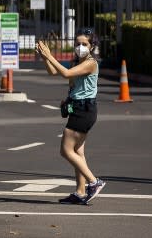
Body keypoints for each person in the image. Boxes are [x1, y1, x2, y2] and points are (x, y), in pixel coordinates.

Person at [36, 30, 106, 205]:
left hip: (84, 110)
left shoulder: (90, 63)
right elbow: (54, 72)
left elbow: (66, 74)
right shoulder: (77, 62)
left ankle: (94, 182)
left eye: (84, 44)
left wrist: (49, 55)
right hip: (79, 108)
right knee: (78, 152)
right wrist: (46, 57)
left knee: (66, 150)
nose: (80, 47)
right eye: (77, 43)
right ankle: (80, 192)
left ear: (92, 47)